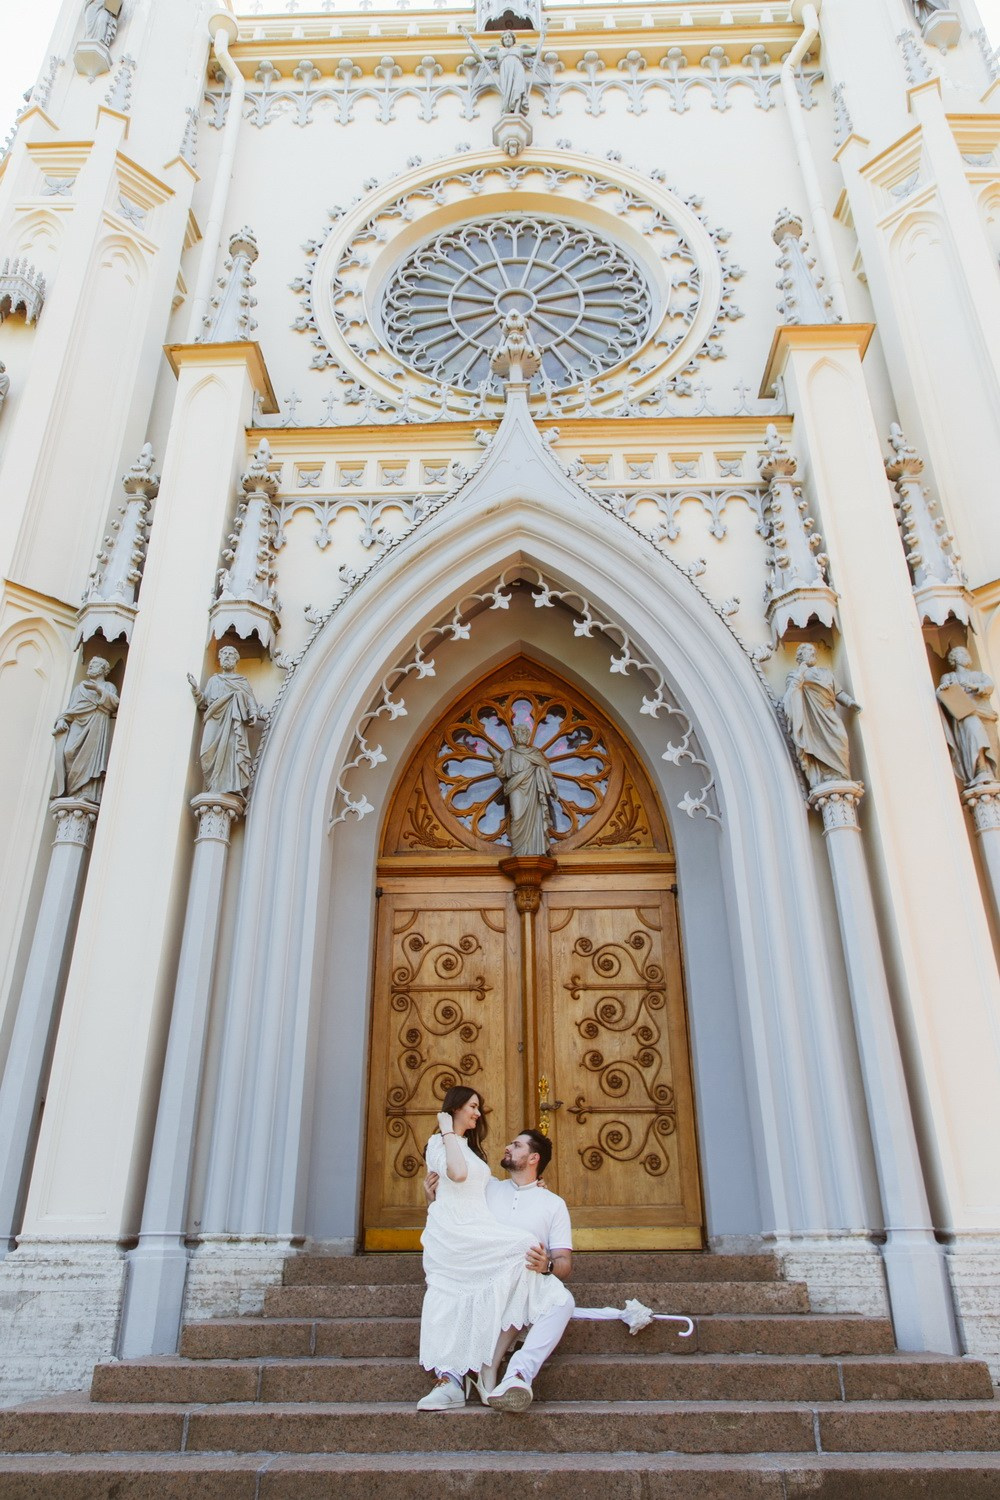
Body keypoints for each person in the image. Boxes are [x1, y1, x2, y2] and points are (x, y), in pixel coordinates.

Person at [417, 1086, 573, 1413]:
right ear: (455, 1107)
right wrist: (435, 1197)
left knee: (559, 1296)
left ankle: (500, 1369)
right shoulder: (487, 1182)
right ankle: (455, 1378)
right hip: (461, 1242)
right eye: (473, 1106)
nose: (478, 1113)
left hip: (496, 1262)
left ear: (534, 1160)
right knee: (456, 1293)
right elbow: (458, 1183)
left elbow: (564, 1262)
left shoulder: (551, 1203)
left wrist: (545, 1263)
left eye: (516, 1145)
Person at [782, 642, 859, 789]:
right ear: (800, 655)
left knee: (840, 738)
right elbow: (790, 698)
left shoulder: (826, 673)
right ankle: (826, 775)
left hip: (829, 715)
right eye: (809, 650)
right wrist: (801, 673)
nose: (813, 653)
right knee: (818, 746)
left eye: (814, 650)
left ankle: (841, 774)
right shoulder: (795, 675)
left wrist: (850, 703)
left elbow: (838, 692)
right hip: (813, 723)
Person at [187, 646, 261, 796]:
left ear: (236, 660)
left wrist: (253, 712)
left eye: (230, 655)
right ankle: (212, 785)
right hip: (214, 720)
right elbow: (203, 703)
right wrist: (195, 688)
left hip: (233, 723)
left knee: (231, 750)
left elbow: (250, 700)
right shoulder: (214, 680)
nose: (227, 657)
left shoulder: (242, 681)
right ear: (220, 659)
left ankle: (229, 786)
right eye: (224, 654)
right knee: (207, 752)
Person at [52, 656, 119, 804]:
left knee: (91, 758)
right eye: (90, 664)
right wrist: (62, 720)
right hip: (79, 721)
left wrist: (98, 689)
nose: (90, 667)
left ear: (103, 670)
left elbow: (114, 703)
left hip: (97, 724)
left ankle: (87, 791)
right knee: (68, 751)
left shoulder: (108, 687)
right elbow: (71, 709)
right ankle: (71, 790)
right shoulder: (80, 687)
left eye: (94, 665)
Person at [937, 646, 1000, 786]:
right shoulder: (949, 677)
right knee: (974, 730)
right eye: (962, 654)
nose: (966, 656)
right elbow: (943, 695)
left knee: (991, 745)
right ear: (955, 658)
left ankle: (989, 770)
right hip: (965, 713)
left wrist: (974, 687)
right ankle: (979, 768)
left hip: (984, 713)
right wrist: (944, 689)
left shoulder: (978, 675)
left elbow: (989, 685)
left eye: (966, 653)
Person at [491, 724, 556, 856]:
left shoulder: (535, 753)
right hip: (516, 787)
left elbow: (545, 769)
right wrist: (496, 761)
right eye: (520, 732)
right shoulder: (509, 754)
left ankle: (535, 849)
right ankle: (519, 850)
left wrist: (552, 785)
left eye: (526, 732)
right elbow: (503, 774)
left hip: (534, 788)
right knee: (517, 816)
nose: (523, 735)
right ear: (515, 735)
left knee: (536, 817)